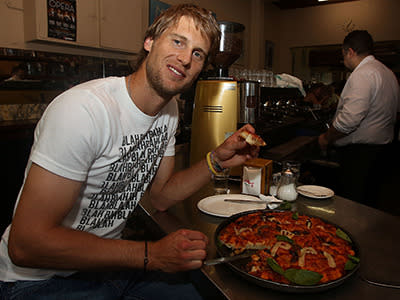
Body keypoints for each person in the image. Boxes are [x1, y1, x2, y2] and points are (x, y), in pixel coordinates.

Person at [0, 4, 260, 299]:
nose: (185, 58)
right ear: (150, 41)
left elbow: (161, 196)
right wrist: (152, 255)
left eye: (198, 54)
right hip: (40, 280)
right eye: (178, 41)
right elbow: (26, 245)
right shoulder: (83, 110)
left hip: (108, 268)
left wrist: (216, 160)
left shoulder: (169, 110)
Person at [318, 30, 400, 207]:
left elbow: (349, 120)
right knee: (370, 202)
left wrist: (326, 137)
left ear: (350, 52)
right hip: (383, 150)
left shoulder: (363, 73)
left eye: (343, 55)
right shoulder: (387, 72)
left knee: (352, 205)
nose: (344, 60)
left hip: (361, 154)